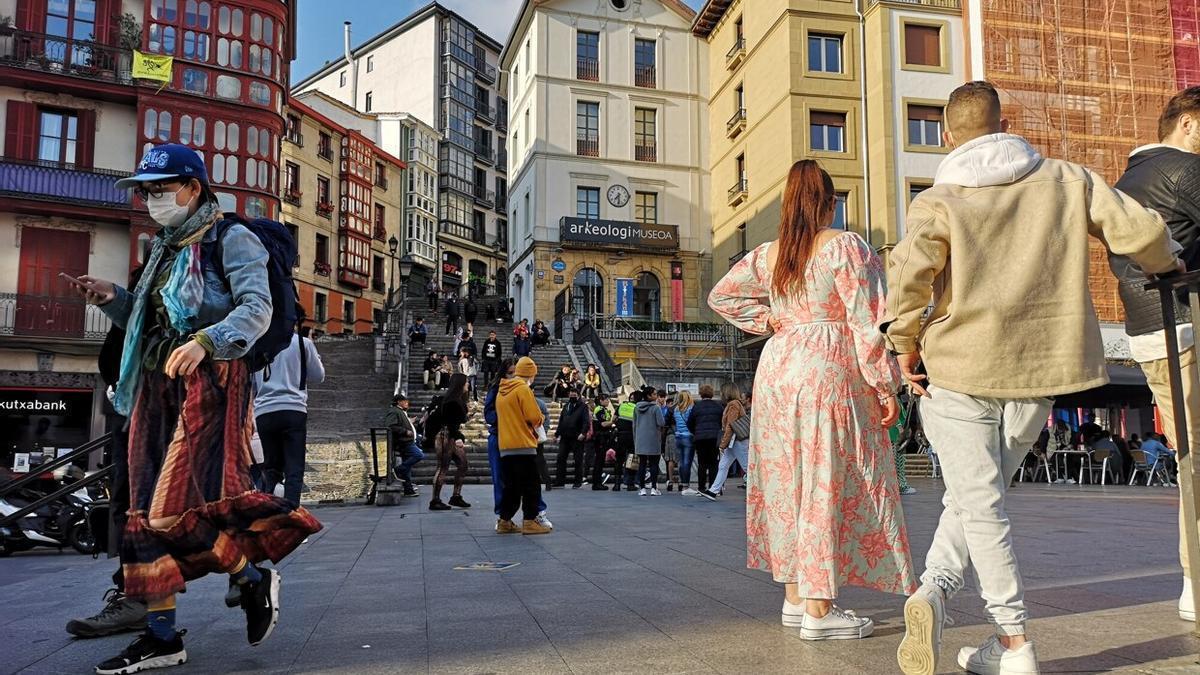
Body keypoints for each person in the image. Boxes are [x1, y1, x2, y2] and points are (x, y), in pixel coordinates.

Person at [883, 82, 1180, 675]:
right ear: (1002, 124)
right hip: (1039, 371)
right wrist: (1167, 262)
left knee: (980, 503)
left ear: (947, 135)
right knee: (976, 498)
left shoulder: (938, 201)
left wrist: (903, 346)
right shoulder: (1069, 179)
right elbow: (1142, 233)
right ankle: (933, 591)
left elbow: (911, 278)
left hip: (959, 368)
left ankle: (1014, 642)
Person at [69, 144, 320, 673]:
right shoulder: (163, 249)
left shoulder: (232, 238)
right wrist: (113, 297)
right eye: (146, 190)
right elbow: (150, 321)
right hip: (153, 385)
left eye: (160, 189)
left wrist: (207, 341)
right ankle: (162, 635)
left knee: (169, 510)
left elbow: (257, 307)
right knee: (140, 516)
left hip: (212, 383)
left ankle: (251, 576)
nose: (151, 198)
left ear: (193, 187)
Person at [709, 158, 914, 642]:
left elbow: (723, 296)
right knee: (826, 476)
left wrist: (770, 322)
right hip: (828, 368)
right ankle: (820, 608)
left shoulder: (770, 255)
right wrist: (887, 386)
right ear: (827, 201)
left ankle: (796, 597)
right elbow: (869, 322)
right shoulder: (845, 246)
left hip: (779, 370)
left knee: (789, 482)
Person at [1110, 86, 1200, 623]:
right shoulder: (1184, 170)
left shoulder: (1128, 179)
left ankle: (1194, 582)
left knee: (1191, 457)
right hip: (1187, 325)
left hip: (1151, 334)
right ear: (1190, 122)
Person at [66, 279, 148, 639]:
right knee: (129, 505)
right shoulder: (153, 266)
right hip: (129, 404)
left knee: (142, 507)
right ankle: (135, 596)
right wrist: (113, 299)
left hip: (150, 403)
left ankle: (248, 573)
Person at [254, 311, 326, 508]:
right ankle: (291, 518)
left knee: (271, 468)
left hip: (264, 412)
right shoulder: (303, 343)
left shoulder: (258, 344)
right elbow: (318, 375)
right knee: (294, 469)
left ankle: (269, 515)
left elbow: (252, 384)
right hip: (293, 409)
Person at [495, 357, 551, 535]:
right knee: (531, 485)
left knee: (511, 487)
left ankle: (504, 520)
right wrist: (541, 418)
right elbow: (534, 417)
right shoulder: (523, 389)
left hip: (505, 445)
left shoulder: (502, 390)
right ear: (530, 374)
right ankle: (529, 521)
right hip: (523, 444)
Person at [423, 373, 471, 510]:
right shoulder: (451, 402)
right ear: (460, 384)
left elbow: (456, 421)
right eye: (466, 382)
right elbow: (450, 423)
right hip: (445, 436)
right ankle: (435, 500)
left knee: (463, 464)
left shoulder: (457, 400)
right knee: (443, 467)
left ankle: (456, 496)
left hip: (451, 434)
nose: (468, 384)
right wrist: (458, 438)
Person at [700, 383, 751, 501]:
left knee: (747, 467)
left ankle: (756, 493)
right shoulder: (735, 404)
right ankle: (713, 491)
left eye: (722, 392)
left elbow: (730, 426)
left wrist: (723, 444)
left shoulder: (733, 405)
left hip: (737, 440)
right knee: (723, 465)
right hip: (735, 441)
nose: (721, 394)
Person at [687, 385, 725, 493]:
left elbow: (689, 422)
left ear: (701, 394)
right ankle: (713, 487)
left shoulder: (696, 407)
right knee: (714, 463)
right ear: (712, 393)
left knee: (702, 464)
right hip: (714, 438)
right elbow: (722, 421)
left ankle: (701, 488)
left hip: (700, 438)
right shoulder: (718, 406)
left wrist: (696, 432)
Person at [385, 394, 422, 497]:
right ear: (398, 402)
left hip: (408, 441)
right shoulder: (394, 411)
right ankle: (397, 471)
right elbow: (390, 426)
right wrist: (405, 431)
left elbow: (399, 423)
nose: (407, 403)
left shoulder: (401, 412)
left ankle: (408, 490)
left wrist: (409, 422)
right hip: (404, 442)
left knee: (408, 468)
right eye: (405, 401)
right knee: (419, 455)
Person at [633, 390, 666, 496]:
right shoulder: (656, 408)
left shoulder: (637, 408)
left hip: (640, 439)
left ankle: (642, 488)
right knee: (653, 464)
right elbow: (661, 422)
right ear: (649, 396)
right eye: (654, 394)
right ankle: (654, 488)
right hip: (653, 439)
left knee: (642, 464)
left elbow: (634, 424)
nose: (656, 396)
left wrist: (636, 439)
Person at [614, 391, 640, 492]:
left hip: (621, 435)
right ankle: (630, 484)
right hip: (632, 436)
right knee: (632, 460)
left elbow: (614, 419)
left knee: (619, 460)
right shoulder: (637, 408)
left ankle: (617, 484)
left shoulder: (621, 406)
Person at [671, 391, 696, 495]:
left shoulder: (676, 409)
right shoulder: (690, 409)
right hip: (688, 436)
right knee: (687, 463)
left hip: (678, 437)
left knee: (681, 462)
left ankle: (682, 483)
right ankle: (686, 486)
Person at [590, 394, 617, 490]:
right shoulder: (599, 410)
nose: (608, 401)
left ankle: (597, 483)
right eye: (606, 400)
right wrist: (613, 421)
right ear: (601, 401)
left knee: (600, 461)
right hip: (600, 437)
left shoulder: (603, 409)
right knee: (599, 461)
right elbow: (603, 423)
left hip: (603, 437)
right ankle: (596, 483)